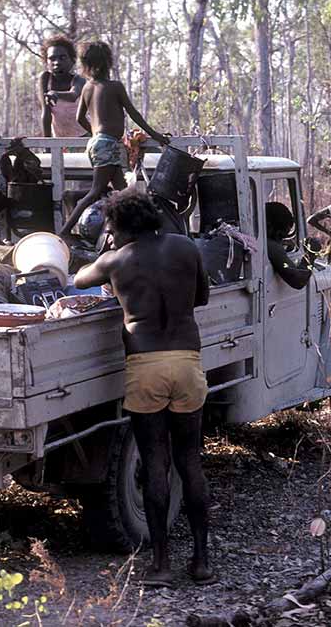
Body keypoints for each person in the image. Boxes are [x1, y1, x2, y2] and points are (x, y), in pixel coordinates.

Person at [73, 189, 213, 589]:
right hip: (187, 360)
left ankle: (162, 565)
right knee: (190, 461)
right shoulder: (186, 247)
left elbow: (79, 278)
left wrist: (107, 251)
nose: (110, 234)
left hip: (145, 364)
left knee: (155, 462)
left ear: (120, 227)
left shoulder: (115, 259)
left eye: (112, 227)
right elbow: (200, 296)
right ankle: (202, 562)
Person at [59, 41, 169, 238]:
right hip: (106, 143)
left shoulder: (87, 88)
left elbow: (79, 118)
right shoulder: (114, 87)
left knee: (125, 193)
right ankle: (64, 232)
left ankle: (140, 233)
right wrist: (157, 136)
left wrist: (95, 134)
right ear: (107, 63)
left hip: (97, 143)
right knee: (95, 191)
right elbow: (134, 114)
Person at [39, 35, 88, 138]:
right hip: (60, 138)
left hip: (83, 135)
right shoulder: (45, 79)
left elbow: (73, 95)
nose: (57, 63)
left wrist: (56, 94)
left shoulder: (79, 80)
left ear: (72, 60)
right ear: (46, 61)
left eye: (63, 57)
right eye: (52, 59)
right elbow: (46, 113)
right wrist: (47, 145)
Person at [266, 202, 312, 290]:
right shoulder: (271, 246)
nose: (279, 241)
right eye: (279, 236)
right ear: (268, 226)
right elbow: (298, 280)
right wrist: (311, 254)